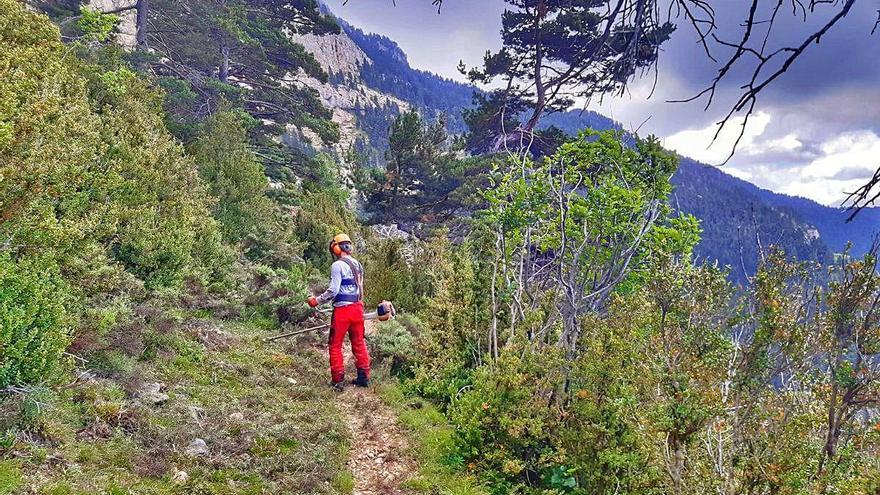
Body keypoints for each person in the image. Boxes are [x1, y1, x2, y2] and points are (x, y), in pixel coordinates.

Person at [308, 233, 370, 391]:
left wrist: (317, 300)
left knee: (335, 345)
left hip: (343, 311)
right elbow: (360, 289)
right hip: (357, 308)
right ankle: (364, 378)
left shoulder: (337, 266)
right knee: (359, 342)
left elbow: (333, 291)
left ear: (336, 248)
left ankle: (338, 381)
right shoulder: (358, 265)